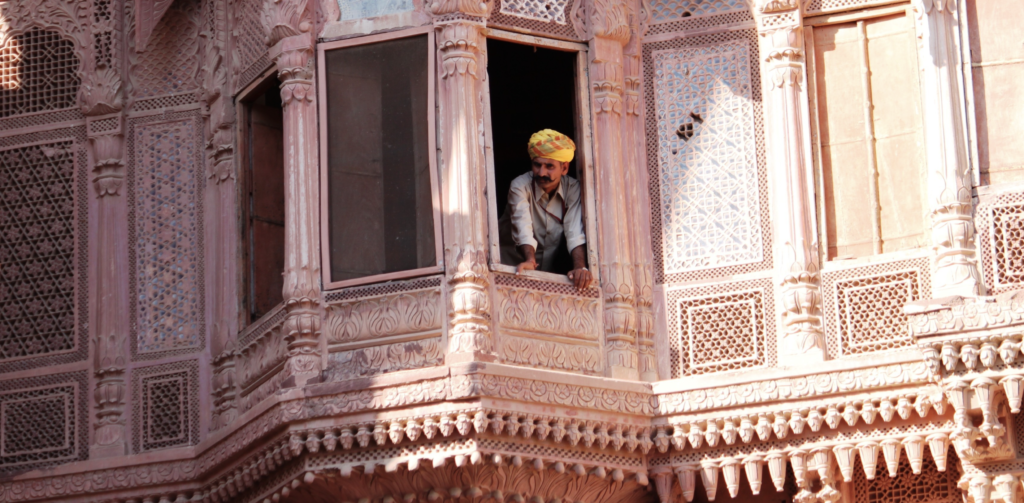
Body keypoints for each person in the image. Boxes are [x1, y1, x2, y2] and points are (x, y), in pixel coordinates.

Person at [498, 129, 593, 290]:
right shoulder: (519, 186)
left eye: (549, 166)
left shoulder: (573, 189)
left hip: (544, 276)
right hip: (508, 269)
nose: (541, 173)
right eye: (537, 165)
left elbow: (574, 231)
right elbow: (522, 226)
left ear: (564, 168)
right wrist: (529, 260)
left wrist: (580, 267)